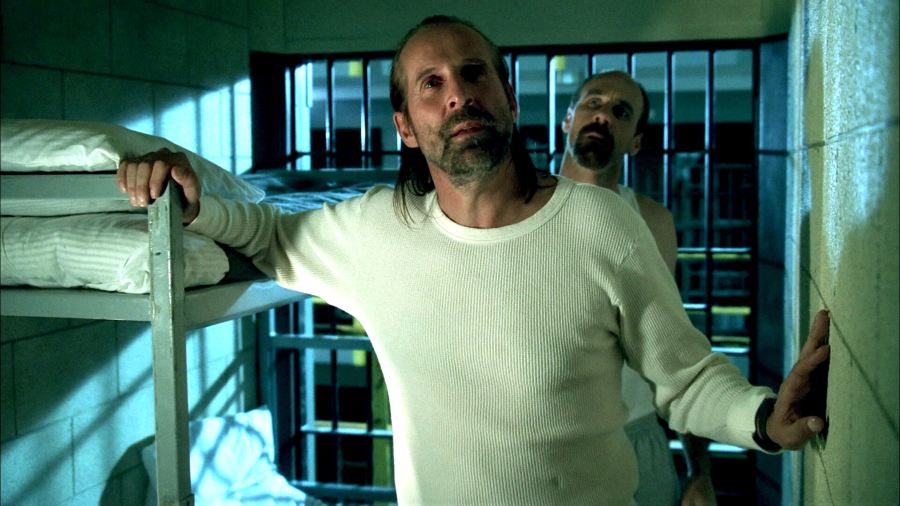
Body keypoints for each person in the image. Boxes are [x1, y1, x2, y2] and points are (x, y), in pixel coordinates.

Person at [118, 15, 830, 506]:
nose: (457, 92)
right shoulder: (375, 231)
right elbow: (268, 234)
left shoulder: (604, 223)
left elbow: (685, 376)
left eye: (472, 72)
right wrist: (188, 195)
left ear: (510, 100)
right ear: (405, 126)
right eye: (430, 83)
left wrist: (765, 419)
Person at [559, 71, 715, 506]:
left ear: (636, 142)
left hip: (636, 436)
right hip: (546, 441)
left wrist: (699, 471)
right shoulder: (520, 209)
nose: (603, 115)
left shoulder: (652, 221)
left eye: (621, 111)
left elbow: (674, 347)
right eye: (593, 102)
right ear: (567, 119)